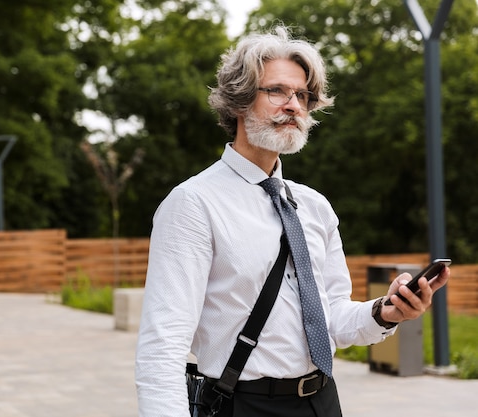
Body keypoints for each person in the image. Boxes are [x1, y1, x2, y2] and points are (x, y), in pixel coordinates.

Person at [134, 25, 450, 417]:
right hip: (242, 405)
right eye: (277, 91)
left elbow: (333, 317)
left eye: (302, 95)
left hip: (323, 401)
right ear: (239, 102)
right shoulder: (193, 204)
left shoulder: (314, 206)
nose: (294, 106)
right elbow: (162, 346)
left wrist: (387, 311)